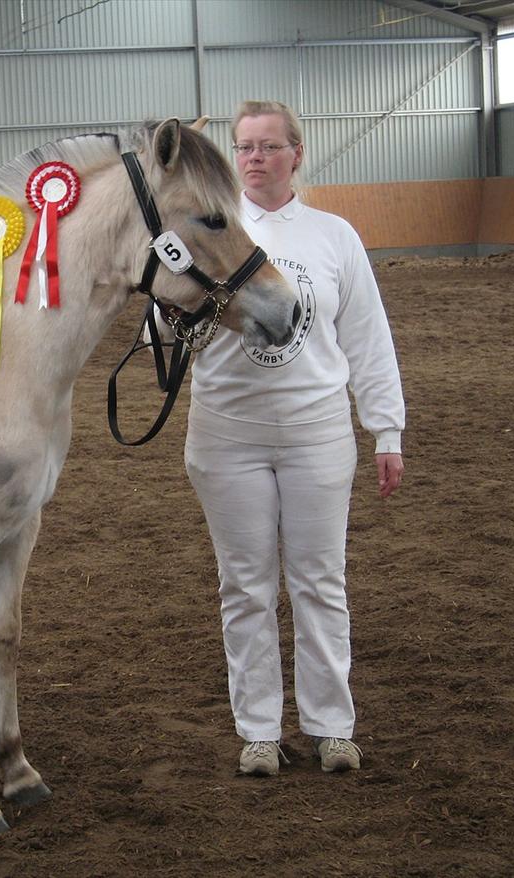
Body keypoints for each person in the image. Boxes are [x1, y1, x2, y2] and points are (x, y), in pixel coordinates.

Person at [183, 100, 405, 777]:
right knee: (244, 584)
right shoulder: (204, 236)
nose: (255, 157)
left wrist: (385, 426)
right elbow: (168, 333)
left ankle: (331, 725)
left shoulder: (335, 237)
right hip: (227, 434)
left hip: (317, 432)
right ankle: (257, 729)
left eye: (269, 146)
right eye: (244, 147)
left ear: (296, 155)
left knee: (319, 580)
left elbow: (367, 336)